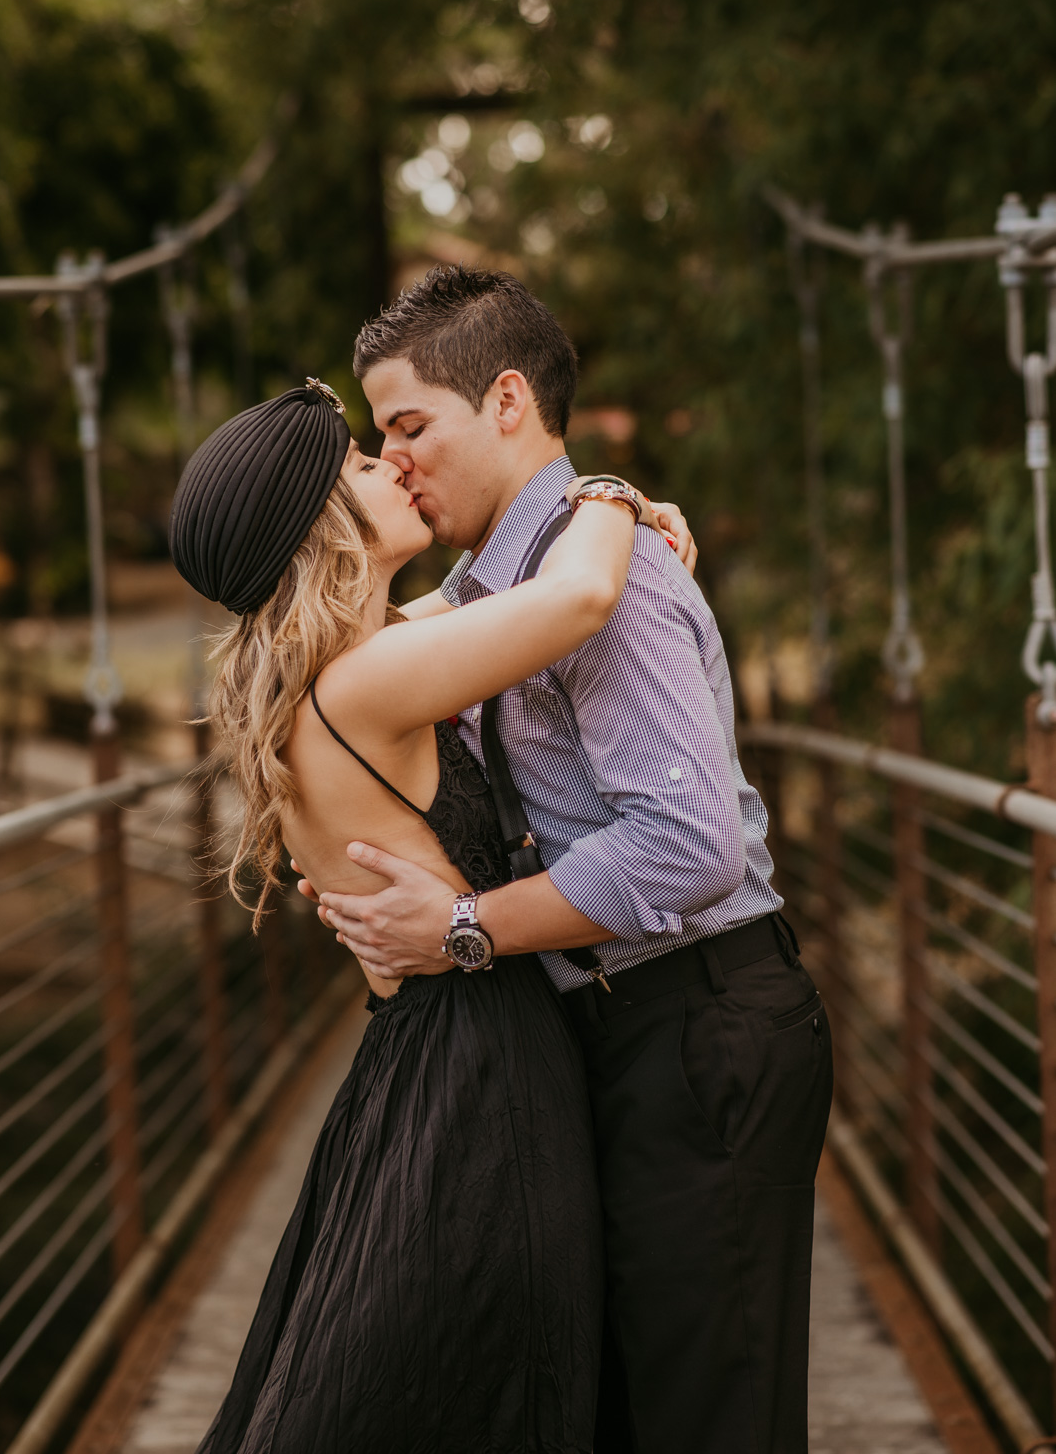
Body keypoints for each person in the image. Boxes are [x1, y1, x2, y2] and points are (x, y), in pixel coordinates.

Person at [309, 267, 834, 1454]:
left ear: (504, 401)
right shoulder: (504, 588)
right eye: (379, 440)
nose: (394, 464)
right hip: (609, 1030)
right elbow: (354, 674)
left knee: (708, 1415)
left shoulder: (617, 583)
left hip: (699, 1026)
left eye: (408, 428)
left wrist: (464, 927)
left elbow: (687, 847)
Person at [167, 375, 662, 1454]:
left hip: (416, 1063)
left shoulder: (333, 673)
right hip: (480, 1074)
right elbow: (576, 602)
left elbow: (467, 602)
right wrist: (610, 499)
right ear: (315, 530)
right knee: (486, 1381)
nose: (388, 461)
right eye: (357, 463)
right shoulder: (367, 684)